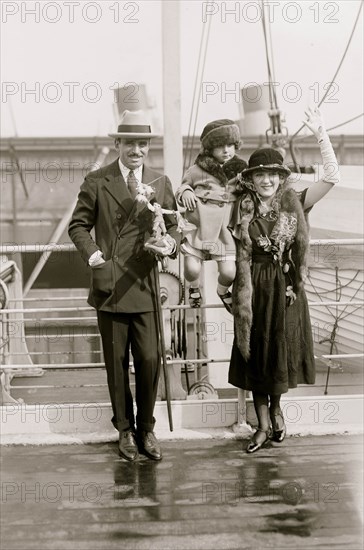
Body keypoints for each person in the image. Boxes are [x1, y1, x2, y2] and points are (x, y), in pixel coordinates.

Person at [68, 110, 180, 462]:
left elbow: (175, 225)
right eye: (130, 142)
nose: (137, 149)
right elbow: (78, 226)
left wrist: (171, 245)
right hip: (111, 284)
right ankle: (125, 431)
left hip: (145, 282)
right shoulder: (97, 181)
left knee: (149, 358)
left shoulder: (161, 183)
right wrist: (94, 256)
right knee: (116, 362)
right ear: (117, 144)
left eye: (142, 143)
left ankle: (147, 427)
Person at [228, 107, 340, 453]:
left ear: (281, 178)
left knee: (278, 354)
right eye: (260, 174)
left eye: (272, 175)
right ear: (251, 178)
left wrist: (321, 134)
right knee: (255, 355)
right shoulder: (240, 208)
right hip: (251, 290)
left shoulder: (295, 204)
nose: (266, 180)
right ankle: (261, 426)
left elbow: (332, 177)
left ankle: (276, 411)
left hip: (285, 289)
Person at [175, 119, 247, 311]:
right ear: (209, 149)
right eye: (220, 146)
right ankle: (193, 286)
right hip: (199, 225)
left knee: (229, 272)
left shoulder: (241, 171)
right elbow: (183, 186)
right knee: (192, 268)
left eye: (230, 145)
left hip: (224, 231)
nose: (226, 150)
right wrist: (186, 192)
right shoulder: (197, 169)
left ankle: (222, 291)